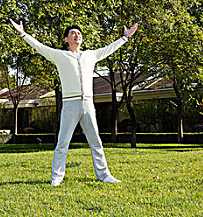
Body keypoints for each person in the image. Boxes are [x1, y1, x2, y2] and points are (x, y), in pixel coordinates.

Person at [10, 19, 138, 186]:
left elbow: (109, 49)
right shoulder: (59, 55)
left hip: (88, 104)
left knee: (96, 141)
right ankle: (57, 177)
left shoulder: (91, 55)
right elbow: (39, 47)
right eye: (73, 33)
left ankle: (104, 175)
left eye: (79, 33)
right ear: (66, 39)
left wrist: (125, 37)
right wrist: (23, 34)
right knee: (63, 142)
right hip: (70, 104)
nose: (77, 35)